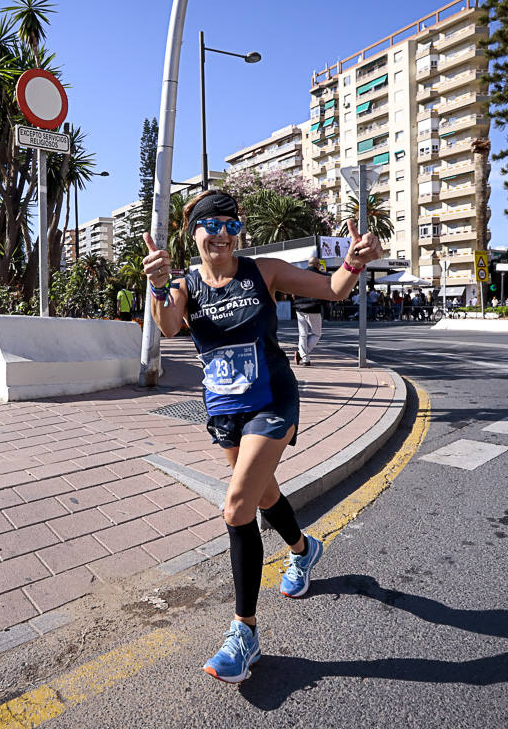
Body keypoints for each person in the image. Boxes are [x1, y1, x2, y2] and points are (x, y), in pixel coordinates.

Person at [142, 191, 383, 684]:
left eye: (232, 225)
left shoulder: (264, 271)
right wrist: (159, 286)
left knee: (237, 506)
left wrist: (354, 265)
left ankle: (244, 631)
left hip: (272, 401)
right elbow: (168, 327)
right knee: (263, 491)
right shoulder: (186, 283)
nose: (223, 234)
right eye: (213, 226)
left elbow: (333, 289)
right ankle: (302, 548)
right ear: (195, 234)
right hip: (224, 409)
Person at [291, 257, 329, 366]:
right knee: (316, 334)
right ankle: (302, 355)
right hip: (314, 308)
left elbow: (293, 291)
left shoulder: (301, 274)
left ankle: (304, 357)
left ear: (309, 264)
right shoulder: (321, 275)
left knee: (302, 334)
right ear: (317, 264)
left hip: (299, 308)